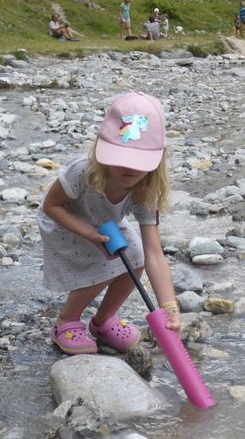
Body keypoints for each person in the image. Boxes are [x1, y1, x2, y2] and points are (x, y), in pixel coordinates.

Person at [38, 91, 181, 354]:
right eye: (120, 159)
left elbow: (154, 254)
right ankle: (66, 321)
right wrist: (89, 233)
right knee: (103, 264)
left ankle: (103, 321)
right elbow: (51, 206)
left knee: (135, 256)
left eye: (139, 162)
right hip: (65, 222)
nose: (129, 171)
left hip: (105, 223)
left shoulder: (146, 189)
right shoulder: (83, 171)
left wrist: (169, 307)